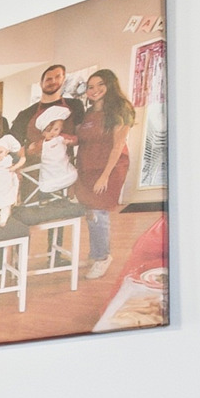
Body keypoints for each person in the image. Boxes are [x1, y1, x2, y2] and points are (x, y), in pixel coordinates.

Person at [72, 68, 136, 277]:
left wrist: (105, 175)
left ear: (110, 85)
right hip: (87, 167)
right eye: (90, 87)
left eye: (100, 85)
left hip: (109, 168)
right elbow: (81, 139)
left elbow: (117, 147)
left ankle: (103, 257)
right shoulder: (89, 113)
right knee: (91, 213)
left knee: (99, 212)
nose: (95, 90)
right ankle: (95, 253)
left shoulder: (120, 111)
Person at [11, 64, 82, 145]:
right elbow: (12, 142)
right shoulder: (25, 114)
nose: (53, 81)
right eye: (49, 79)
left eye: (57, 77)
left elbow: (82, 137)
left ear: (63, 80)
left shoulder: (75, 105)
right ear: (41, 84)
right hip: (35, 157)